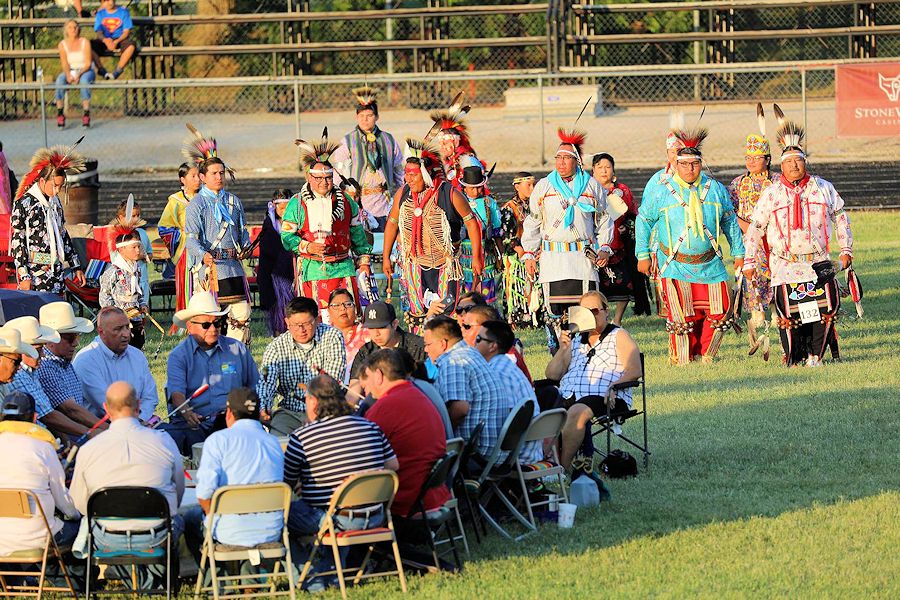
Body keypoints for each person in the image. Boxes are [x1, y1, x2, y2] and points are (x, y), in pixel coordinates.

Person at [742, 107, 854, 367]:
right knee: (789, 314)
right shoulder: (771, 193)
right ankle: (795, 356)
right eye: (789, 161)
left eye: (799, 160)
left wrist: (846, 248)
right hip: (784, 263)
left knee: (823, 310)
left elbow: (840, 217)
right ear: (781, 165)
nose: (794, 165)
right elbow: (756, 228)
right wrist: (749, 262)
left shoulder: (823, 188)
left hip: (818, 261)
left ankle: (815, 355)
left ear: (805, 162)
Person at [636, 126, 745, 364]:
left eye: (694, 164)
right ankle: (684, 359)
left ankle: (707, 355)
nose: (689, 169)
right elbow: (643, 220)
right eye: (684, 164)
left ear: (701, 163)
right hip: (676, 266)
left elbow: (729, 221)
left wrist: (738, 252)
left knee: (720, 313)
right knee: (683, 318)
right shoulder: (662, 191)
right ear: (676, 164)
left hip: (710, 265)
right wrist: (642, 253)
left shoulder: (714, 189)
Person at [69, 381, 184, 591]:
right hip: (156, 534)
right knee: (184, 520)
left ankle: (139, 581)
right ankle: (158, 582)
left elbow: (78, 503)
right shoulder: (163, 441)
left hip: (106, 537)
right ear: (138, 405)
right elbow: (178, 493)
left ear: (105, 409)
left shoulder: (89, 449)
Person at [283, 374, 397, 586]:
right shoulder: (371, 427)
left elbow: (286, 485)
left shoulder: (303, 436)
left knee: (277, 518)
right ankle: (334, 572)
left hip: (334, 519)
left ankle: (312, 580)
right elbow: (392, 468)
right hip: (376, 515)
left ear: (313, 401)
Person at [382, 137, 484, 334]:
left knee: (446, 313)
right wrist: (386, 257)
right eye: (407, 174)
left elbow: (472, 223)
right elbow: (392, 224)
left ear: (426, 174)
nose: (408, 179)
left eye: (414, 175)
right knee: (418, 315)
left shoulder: (448, 193)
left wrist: (476, 257)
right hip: (415, 264)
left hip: (446, 264)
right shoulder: (403, 194)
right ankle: (422, 355)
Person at [521, 128, 613, 342]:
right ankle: (559, 353)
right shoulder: (544, 187)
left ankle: (586, 350)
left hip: (582, 258)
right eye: (558, 158)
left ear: (577, 161)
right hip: (553, 260)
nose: (561, 162)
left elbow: (604, 219)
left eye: (567, 158)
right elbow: (533, 221)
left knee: (586, 311)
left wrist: (605, 247)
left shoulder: (591, 186)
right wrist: (528, 254)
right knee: (555, 313)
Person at [183, 388, 284, 566]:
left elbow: (204, 494)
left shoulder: (218, 441)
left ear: (229, 413)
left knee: (191, 518)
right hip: (271, 529)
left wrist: (212, 515)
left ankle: (215, 575)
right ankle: (250, 574)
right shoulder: (274, 443)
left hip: (228, 530)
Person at [545, 292, 641, 473]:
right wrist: (563, 349)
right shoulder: (574, 340)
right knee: (538, 399)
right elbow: (552, 375)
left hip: (606, 397)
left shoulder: (618, 335)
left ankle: (561, 469)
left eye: (595, 310)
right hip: (569, 394)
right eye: (585, 311)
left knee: (576, 410)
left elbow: (635, 370)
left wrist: (613, 386)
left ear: (606, 311)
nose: (590, 315)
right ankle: (538, 463)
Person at [281, 130, 373, 315]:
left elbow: (358, 236)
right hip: (313, 269)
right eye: (319, 178)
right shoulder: (297, 204)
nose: (324, 182)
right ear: (309, 178)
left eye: (328, 178)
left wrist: (363, 262)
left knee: (348, 317)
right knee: (319, 318)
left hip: (344, 268)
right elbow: (286, 237)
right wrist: (307, 246)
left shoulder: (346, 202)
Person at [163, 291, 258, 455]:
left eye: (218, 323)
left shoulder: (237, 349)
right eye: (206, 325)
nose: (213, 329)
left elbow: (255, 386)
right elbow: (176, 393)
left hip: (232, 421)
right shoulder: (179, 356)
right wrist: (187, 412)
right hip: (195, 424)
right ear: (190, 326)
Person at [360, 349, 449, 518]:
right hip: (431, 493)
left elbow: (360, 456)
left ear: (378, 375)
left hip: (405, 498)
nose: (368, 388)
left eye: (368, 377)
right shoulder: (417, 394)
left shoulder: (385, 406)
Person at [183, 126, 253, 343]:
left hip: (232, 266)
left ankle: (235, 353)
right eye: (214, 173)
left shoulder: (234, 201)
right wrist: (203, 255)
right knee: (211, 316)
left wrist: (246, 247)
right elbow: (191, 239)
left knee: (241, 315)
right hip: (210, 269)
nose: (219, 177)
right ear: (202, 177)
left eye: (222, 173)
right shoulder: (196, 204)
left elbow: (242, 233)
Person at [0, 391, 80, 558]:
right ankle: (70, 583)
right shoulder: (42, 447)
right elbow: (64, 502)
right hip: (39, 537)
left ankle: (18, 582)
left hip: (2, 541)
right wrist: (75, 515)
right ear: (34, 418)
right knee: (80, 530)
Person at [256, 296, 345, 437]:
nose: (301, 330)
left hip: (325, 409)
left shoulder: (332, 336)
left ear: (317, 320)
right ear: (286, 323)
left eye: (306, 324)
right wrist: (264, 406)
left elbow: (331, 380)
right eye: (295, 325)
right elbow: (266, 382)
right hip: (289, 412)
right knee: (278, 443)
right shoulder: (276, 346)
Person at [422, 316, 508, 459]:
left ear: (443, 343)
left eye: (428, 344)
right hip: (495, 448)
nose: (425, 349)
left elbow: (459, 409)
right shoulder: (470, 353)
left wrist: (440, 435)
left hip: (477, 453)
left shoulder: (453, 362)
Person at [729, 105, 776, 358]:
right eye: (748, 158)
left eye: (756, 158)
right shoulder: (738, 184)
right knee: (752, 275)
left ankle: (780, 311)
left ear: (767, 159)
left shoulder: (777, 181)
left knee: (776, 274)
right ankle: (757, 314)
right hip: (749, 239)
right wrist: (746, 227)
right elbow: (731, 211)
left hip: (775, 238)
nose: (751, 161)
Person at [11, 143, 87, 294]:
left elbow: (62, 233)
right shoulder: (24, 204)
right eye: (55, 186)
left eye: (61, 186)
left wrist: (75, 265)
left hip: (57, 270)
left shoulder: (55, 201)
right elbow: (17, 241)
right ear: (42, 181)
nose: (58, 190)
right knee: (39, 313)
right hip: (35, 273)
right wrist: (24, 274)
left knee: (58, 311)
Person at [6, 316, 92, 441]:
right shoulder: (21, 376)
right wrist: (91, 432)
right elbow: (50, 416)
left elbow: (49, 414)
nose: (42, 354)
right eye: (70, 338)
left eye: (77, 336)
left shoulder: (32, 372)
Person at [331, 86, 405, 231]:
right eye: (361, 116)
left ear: (377, 117)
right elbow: (338, 174)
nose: (365, 120)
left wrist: (405, 192)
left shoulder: (388, 140)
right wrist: (345, 198)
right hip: (358, 202)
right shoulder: (348, 141)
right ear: (356, 117)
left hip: (385, 200)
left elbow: (399, 170)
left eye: (369, 115)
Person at [72, 307, 158, 422]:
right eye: (118, 329)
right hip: (102, 430)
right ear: (101, 332)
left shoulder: (137, 355)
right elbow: (107, 406)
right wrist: (137, 424)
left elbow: (150, 397)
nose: (126, 334)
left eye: (127, 327)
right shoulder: (86, 360)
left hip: (141, 422)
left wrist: (141, 420)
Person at [472, 320, 541, 464]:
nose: (474, 343)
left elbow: (508, 419)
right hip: (526, 450)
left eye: (479, 339)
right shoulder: (504, 365)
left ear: (492, 346)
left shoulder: (497, 373)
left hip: (514, 455)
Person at [36, 302, 107, 435]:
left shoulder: (64, 361)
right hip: (69, 435)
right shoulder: (46, 366)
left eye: (77, 336)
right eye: (69, 338)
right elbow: (71, 410)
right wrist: (109, 430)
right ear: (51, 340)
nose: (76, 342)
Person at [591, 152, 640, 325]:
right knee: (595, 287)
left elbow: (633, 215)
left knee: (624, 284)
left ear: (613, 170)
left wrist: (626, 227)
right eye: (600, 167)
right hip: (592, 244)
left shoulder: (622, 190)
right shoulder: (586, 190)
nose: (604, 171)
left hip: (617, 244)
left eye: (608, 167)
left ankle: (617, 320)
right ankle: (597, 318)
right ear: (593, 170)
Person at [348, 301, 426, 396]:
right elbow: (353, 392)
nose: (376, 334)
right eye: (371, 328)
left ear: (394, 324)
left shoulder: (417, 347)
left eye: (381, 327)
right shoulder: (366, 351)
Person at [158, 162, 201, 320]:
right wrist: (183, 235)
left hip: (207, 249)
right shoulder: (176, 201)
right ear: (182, 179)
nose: (197, 179)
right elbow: (164, 227)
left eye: (199, 175)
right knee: (187, 286)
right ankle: (186, 322)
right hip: (186, 251)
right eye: (193, 176)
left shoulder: (207, 197)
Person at [499, 172, 540, 327]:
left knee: (534, 288)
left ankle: (535, 317)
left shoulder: (535, 205)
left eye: (534, 184)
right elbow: (505, 235)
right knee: (516, 288)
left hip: (534, 254)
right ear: (517, 186)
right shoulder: (508, 208)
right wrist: (521, 251)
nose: (533, 188)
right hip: (516, 257)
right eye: (528, 185)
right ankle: (516, 319)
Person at [459, 164, 502, 304]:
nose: (476, 191)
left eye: (479, 187)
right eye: (472, 188)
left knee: (486, 285)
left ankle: (487, 316)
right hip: (464, 251)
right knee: (467, 286)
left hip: (486, 250)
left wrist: (501, 255)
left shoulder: (489, 203)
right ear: (464, 187)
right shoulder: (458, 202)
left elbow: (497, 231)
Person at [99, 230, 148, 349]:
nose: (138, 250)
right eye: (134, 247)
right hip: (119, 320)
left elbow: (138, 291)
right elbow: (104, 296)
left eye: (138, 247)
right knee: (122, 347)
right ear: (121, 250)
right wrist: (112, 315)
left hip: (136, 317)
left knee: (138, 345)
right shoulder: (112, 272)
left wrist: (142, 304)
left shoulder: (136, 269)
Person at [460, 304, 532, 383]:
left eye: (467, 327)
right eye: (462, 326)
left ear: (486, 328)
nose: (461, 331)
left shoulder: (506, 359)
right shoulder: (485, 354)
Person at [258, 188, 296, 336]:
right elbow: (268, 251)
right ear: (274, 206)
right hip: (275, 275)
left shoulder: (296, 224)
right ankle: (280, 334)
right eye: (281, 208)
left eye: (288, 208)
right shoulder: (269, 226)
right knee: (279, 310)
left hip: (293, 273)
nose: (285, 211)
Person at [430, 93, 479, 192]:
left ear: (456, 141)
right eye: (440, 142)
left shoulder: (467, 160)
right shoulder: (448, 162)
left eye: (446, 142)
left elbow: (477, 191)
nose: (442, 146)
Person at [108, 197, 152, 304]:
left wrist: (143, 256)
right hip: (123, 282)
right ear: (121, 217)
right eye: (132, 216)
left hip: (142, 280)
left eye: (138, 215)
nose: (136, 219)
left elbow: (150, 255)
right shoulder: (116, 235)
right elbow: (114, 258)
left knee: (142, 309)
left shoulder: (142, 233)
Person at [55, 19, 95, 129]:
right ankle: (60, 113)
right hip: (71, 70)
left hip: (85, 70)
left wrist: (78, 74)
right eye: (70, 27)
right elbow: (64, 63)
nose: (73, 29)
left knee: (84, 81)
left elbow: (87, 63)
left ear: (79, 29)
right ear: (66, 30)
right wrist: (68, 75)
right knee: (60, 80)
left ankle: (86, 113)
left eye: (75, 27)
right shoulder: (62, 44)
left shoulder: (85, 42)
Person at [326, 288, 369, 382]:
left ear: (355, 308)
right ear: (328, 311)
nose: (342, 308)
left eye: (348, 304)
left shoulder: (367, 333)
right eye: (336, 305)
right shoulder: (322, 336)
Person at [90, 0, 137, 80]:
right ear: (101, 3)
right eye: (105, 1)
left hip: (120, 38)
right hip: (105, 39)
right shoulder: (100, 14)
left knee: (131, 46)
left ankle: (118, 71)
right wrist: (106, 40)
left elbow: (126, 32)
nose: (108, 3)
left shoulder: (123, 12)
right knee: (88, 46)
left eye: (110, 0)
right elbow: (99, 32)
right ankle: (101, 70)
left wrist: (116, 41)